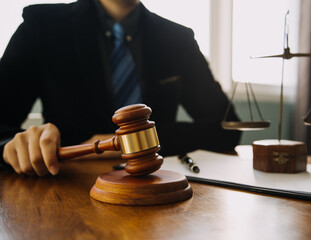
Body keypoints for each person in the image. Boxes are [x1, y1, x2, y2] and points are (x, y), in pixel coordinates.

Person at [0, 0, 240, 176]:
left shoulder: (178, 39)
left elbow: (228, 127)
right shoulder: (40, 26)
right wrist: (13, 145)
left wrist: (137, 141)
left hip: (155, 192)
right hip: (66, 186)